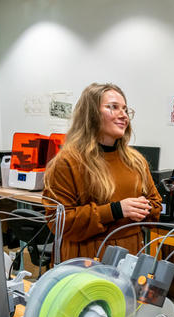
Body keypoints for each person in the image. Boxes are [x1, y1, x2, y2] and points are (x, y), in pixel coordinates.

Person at [43, 82, 162, 261]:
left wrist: (142, 209)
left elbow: (156, 205)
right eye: (113, 107)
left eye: (125, 109)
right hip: (86, 260)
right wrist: (115, 210)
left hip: (129, 257)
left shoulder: (136, 161)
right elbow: (58, 222)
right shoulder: (67, 162)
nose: (123, 115)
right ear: (91, 114)